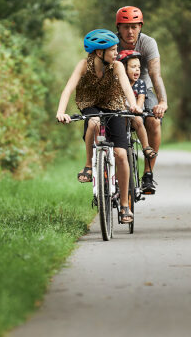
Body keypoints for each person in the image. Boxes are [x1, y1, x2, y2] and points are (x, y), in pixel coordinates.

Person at [56, 29, 143, 223]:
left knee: (121, 154)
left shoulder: (118, 66)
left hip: (114, 105)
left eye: (116, 49)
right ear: (98, 52)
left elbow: (127, 89)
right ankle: (88, 165)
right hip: (90, 104)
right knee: (94, 122)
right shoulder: (83, 66)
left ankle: (124, 206)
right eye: (112, 50)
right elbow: (68, 89)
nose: (116, 53)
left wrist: (134, 105)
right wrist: (61, 112)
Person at [115, 6, 167, 194]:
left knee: (154, 120)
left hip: (142, 88)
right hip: (117, 89)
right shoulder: (112, 43)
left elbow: (155, 74)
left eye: (134, 27)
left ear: (140, 27)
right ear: (118, 28)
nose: (130, 32)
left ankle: (148, 173)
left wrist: (162, 101)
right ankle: (105, 170)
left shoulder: (148, 43)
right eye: (125, 27)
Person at [118, 50, 154, 159]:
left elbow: (141, 97)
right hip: (121, 112)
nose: (137, 69)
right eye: (133, 66)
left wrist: (137, 108)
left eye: (138, 67)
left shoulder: (140, 83)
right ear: (124, 68)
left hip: (135, 112)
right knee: (119, 122)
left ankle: (146, 147)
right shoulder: (118, 82)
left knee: (138, 121)